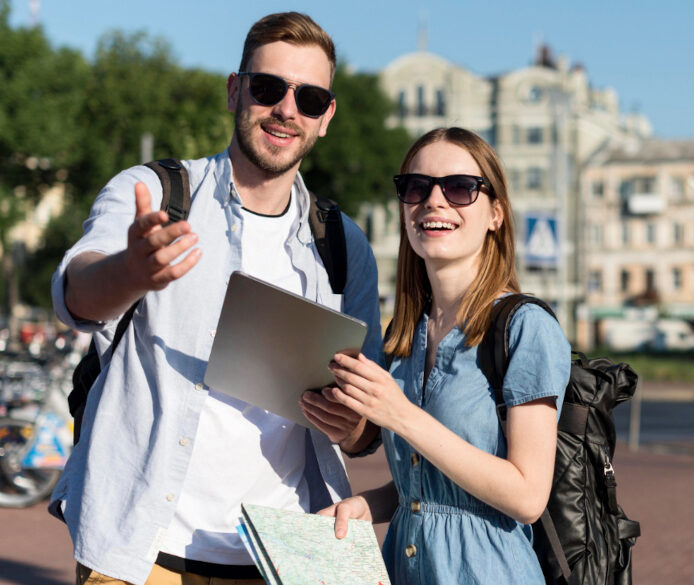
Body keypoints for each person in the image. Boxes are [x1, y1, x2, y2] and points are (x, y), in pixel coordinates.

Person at [49, 12, 382, 585]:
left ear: (326, 117)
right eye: (268, 87)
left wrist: (350, 425)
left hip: (279, 558)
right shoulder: (157, 192)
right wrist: (132, 271)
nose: (286, 109)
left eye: (309, 98)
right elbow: (76, 295)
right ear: (236, 91)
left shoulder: (343, 244)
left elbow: (365, 427)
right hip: (138, 549)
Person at [308, 127, 570, 585]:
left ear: (495, 214)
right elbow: (431, 484)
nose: (434, 201)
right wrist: (370, 504)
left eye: (460, 188)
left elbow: (528, 495)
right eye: (416, 187)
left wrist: (401, 414)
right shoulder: (406, 335)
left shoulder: (525, 327)